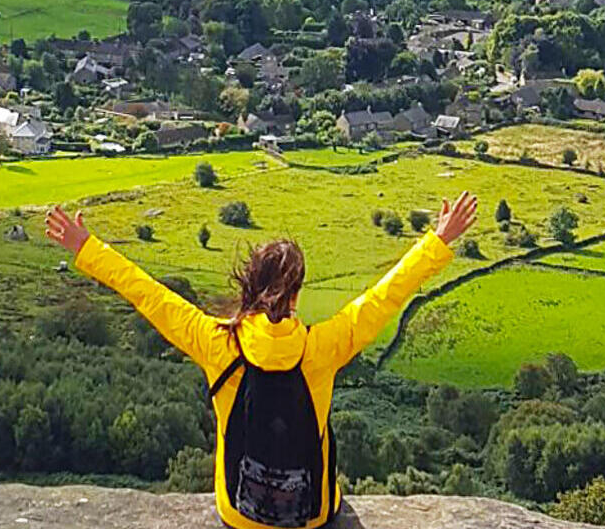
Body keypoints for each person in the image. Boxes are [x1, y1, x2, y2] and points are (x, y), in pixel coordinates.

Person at [45, 190, 478, 529]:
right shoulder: (324, 345)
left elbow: (149, 294)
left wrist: (87, 247)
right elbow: (385, 296)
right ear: (296, 295)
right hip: (313, 516)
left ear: (248, 285)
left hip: (238, 514)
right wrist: (438, 240)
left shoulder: (215, 341)